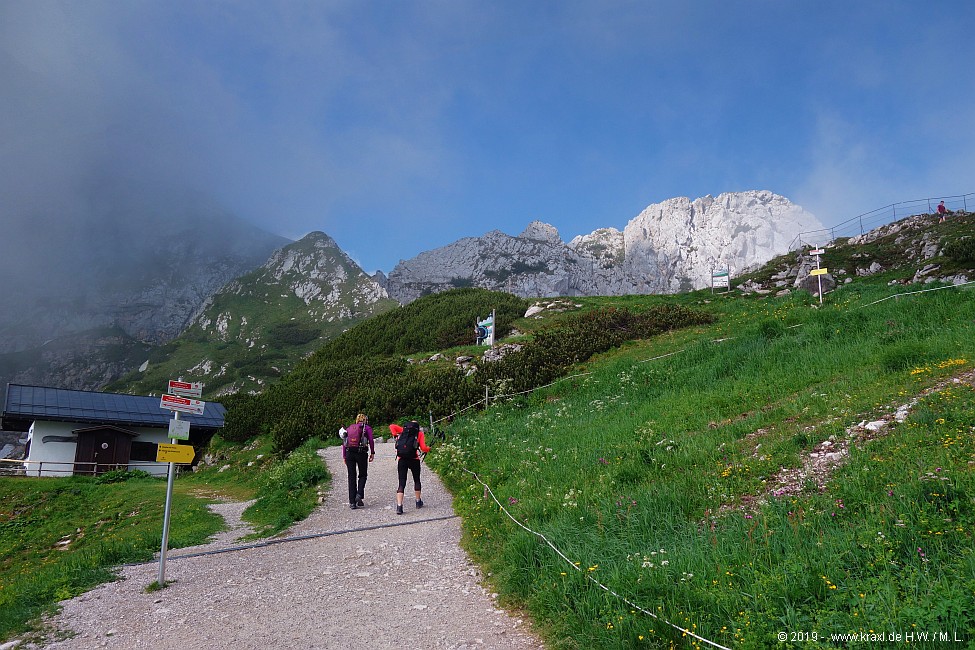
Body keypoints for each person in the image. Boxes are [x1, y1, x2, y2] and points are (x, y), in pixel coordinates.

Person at [391, 420, 431, 515]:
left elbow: (392, 425)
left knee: (401, 483)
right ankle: (418, 502)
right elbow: (424, 448)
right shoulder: (419, 433)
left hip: (402, 459)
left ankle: (399, 506)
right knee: (416, 480)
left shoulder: (403, 430)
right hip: (414, 459)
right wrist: (429, 449)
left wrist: (395, 435)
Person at [343, 413, 375, 509]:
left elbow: (344, 442)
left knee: (351, 476)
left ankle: (352, 502)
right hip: (361, 452)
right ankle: (359, 494)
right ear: (365, 420)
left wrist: (344, 456)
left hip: (349, 453)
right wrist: (372, 452)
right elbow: (371, 440)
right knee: (362, 474)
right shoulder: (367, 428)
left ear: (356, 420)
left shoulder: (349, 428)